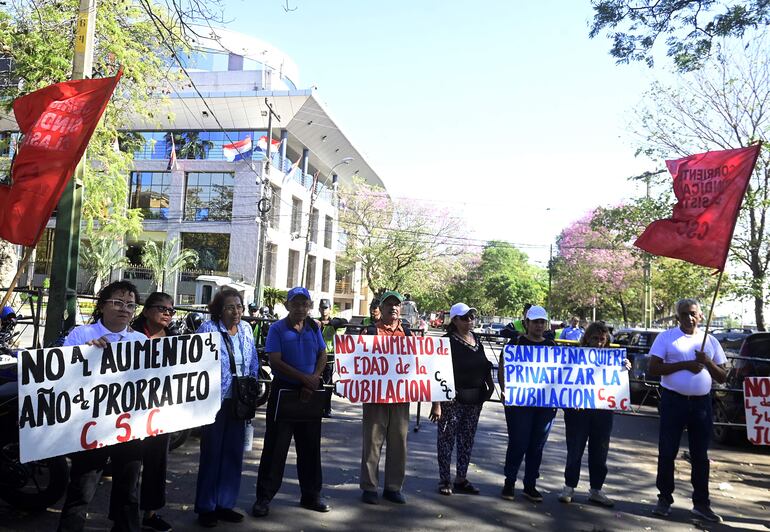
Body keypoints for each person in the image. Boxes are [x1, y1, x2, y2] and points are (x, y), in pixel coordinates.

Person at [58, 281, 147, 532]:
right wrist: (84, 354)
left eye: (130, 304)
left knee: (128, 491)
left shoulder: (141, 340)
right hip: (90, 426)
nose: (124, 309)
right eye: (117, 302)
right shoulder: (81, 335)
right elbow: (61, 375)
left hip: (130, 426)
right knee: (81, 489)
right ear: (102, 305)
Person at [252, 287, 330, 518]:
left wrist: (315, 377)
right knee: (275, 447)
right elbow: (275, 361)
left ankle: (311, 495)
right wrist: (305, 379)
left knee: (310, 447)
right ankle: (264, 498)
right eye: (295, 304)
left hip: (310, 391)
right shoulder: (277, 328)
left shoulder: (314, 327)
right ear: (287, 306)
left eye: (304, 304)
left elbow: (323, 354)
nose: (300, 308)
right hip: (284, 391)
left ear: (309, 306)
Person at [648, 298, 727, 523]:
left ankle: (701, 504)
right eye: (684, 314)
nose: (689, 318)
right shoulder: (666, 338)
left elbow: (722, 376)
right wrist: (685, 365)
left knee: (700, 456)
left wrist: (707, 362)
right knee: (667, 451)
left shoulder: (710, 341)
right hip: (673, 402)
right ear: (677, 317)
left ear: (700, 316)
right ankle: (664, 499)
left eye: (693, 313)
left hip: (702, 404)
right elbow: (654, 368)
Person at [194, 289, 259, 528]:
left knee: (233, 453)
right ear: (219, 310)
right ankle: (206, 507)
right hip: (215, 401)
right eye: (230, 307)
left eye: (239, 307)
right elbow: (196, 363)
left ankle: (225, 503)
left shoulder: (247, 330)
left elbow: (253, 361)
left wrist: (250, 389)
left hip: (239, 401)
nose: (236, 312)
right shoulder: (208, 330)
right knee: (212, 453)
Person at [558, 321, 631, 507]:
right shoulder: (575, 356)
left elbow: (617, 382)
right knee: (574, 449)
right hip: (577, 411)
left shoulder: (613, 359)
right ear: (587, 339)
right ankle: (569, 487)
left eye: (602, 339)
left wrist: (624, 367)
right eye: (595, 338)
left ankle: (596, 490)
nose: (598, 343)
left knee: (600, 451)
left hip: (603, 412)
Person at [429, 303, 494, 496]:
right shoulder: (446, 342)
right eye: (464, 318)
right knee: (446, 439)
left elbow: (484, 365)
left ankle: (461, 477)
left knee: (467, 440)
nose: (469, 321)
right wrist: (436, 404)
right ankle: (444, 479)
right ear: (455, 320)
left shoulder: (477, 340)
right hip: (452, 400)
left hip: (474, 400)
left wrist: (490, 388)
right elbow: (436, 372)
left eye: (471, 317)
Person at [129, 292, 177, 532]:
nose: (167, 313)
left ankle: (150, 512)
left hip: (160, 412)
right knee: (130, 465)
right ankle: (125, 517)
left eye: (171, 309)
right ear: (146, 311)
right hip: (129, 414)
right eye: (162, 308)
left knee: (157, 464)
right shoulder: (130, 335)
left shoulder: (174, 337)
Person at [499, 305, 557, 503]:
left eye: (542, 322)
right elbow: (502, 368)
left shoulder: (552, 346)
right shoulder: (515, 343)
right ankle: (510, 481)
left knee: (537, 445)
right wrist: (505, 389)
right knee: (518, 442)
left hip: (545, 406)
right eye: (535, 322)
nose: (539, 325)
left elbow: (563, 374)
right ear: (527, 323)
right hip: (519, 404)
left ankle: (530, 484)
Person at [360, 290, 412, 505]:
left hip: (400, 396)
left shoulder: (408, 334)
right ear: (380, 309)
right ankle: (369, 487)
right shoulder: (370, 332)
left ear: (401, 308)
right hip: (375, 396)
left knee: (399, 441)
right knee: (372, 441)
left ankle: (393, 487)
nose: (393, 307)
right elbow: (358, 362)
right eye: (389, 304)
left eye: (397, 304)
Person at [317, 299, 347, 418]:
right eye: (322, 308)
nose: (324, 310)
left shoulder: (334, 323)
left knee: (327, 385)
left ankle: (327, 408)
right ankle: (315, 407)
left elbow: (344, 322)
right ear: (319, 309)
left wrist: (332, 323)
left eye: (326, 308)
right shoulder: (315, 321)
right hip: (316, 357)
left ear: (330, 309)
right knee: (315, 383)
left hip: (328, 358)